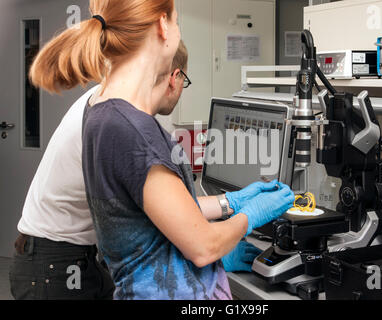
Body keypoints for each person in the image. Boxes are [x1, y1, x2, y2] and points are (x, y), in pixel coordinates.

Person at [29, 0, 295, 300]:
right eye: (177, 21)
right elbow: (203, 246)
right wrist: (251, 215)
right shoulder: (132, 130)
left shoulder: (103, 108)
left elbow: (152, 213)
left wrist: (231, 202)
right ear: (162, 25)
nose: (178, 30)